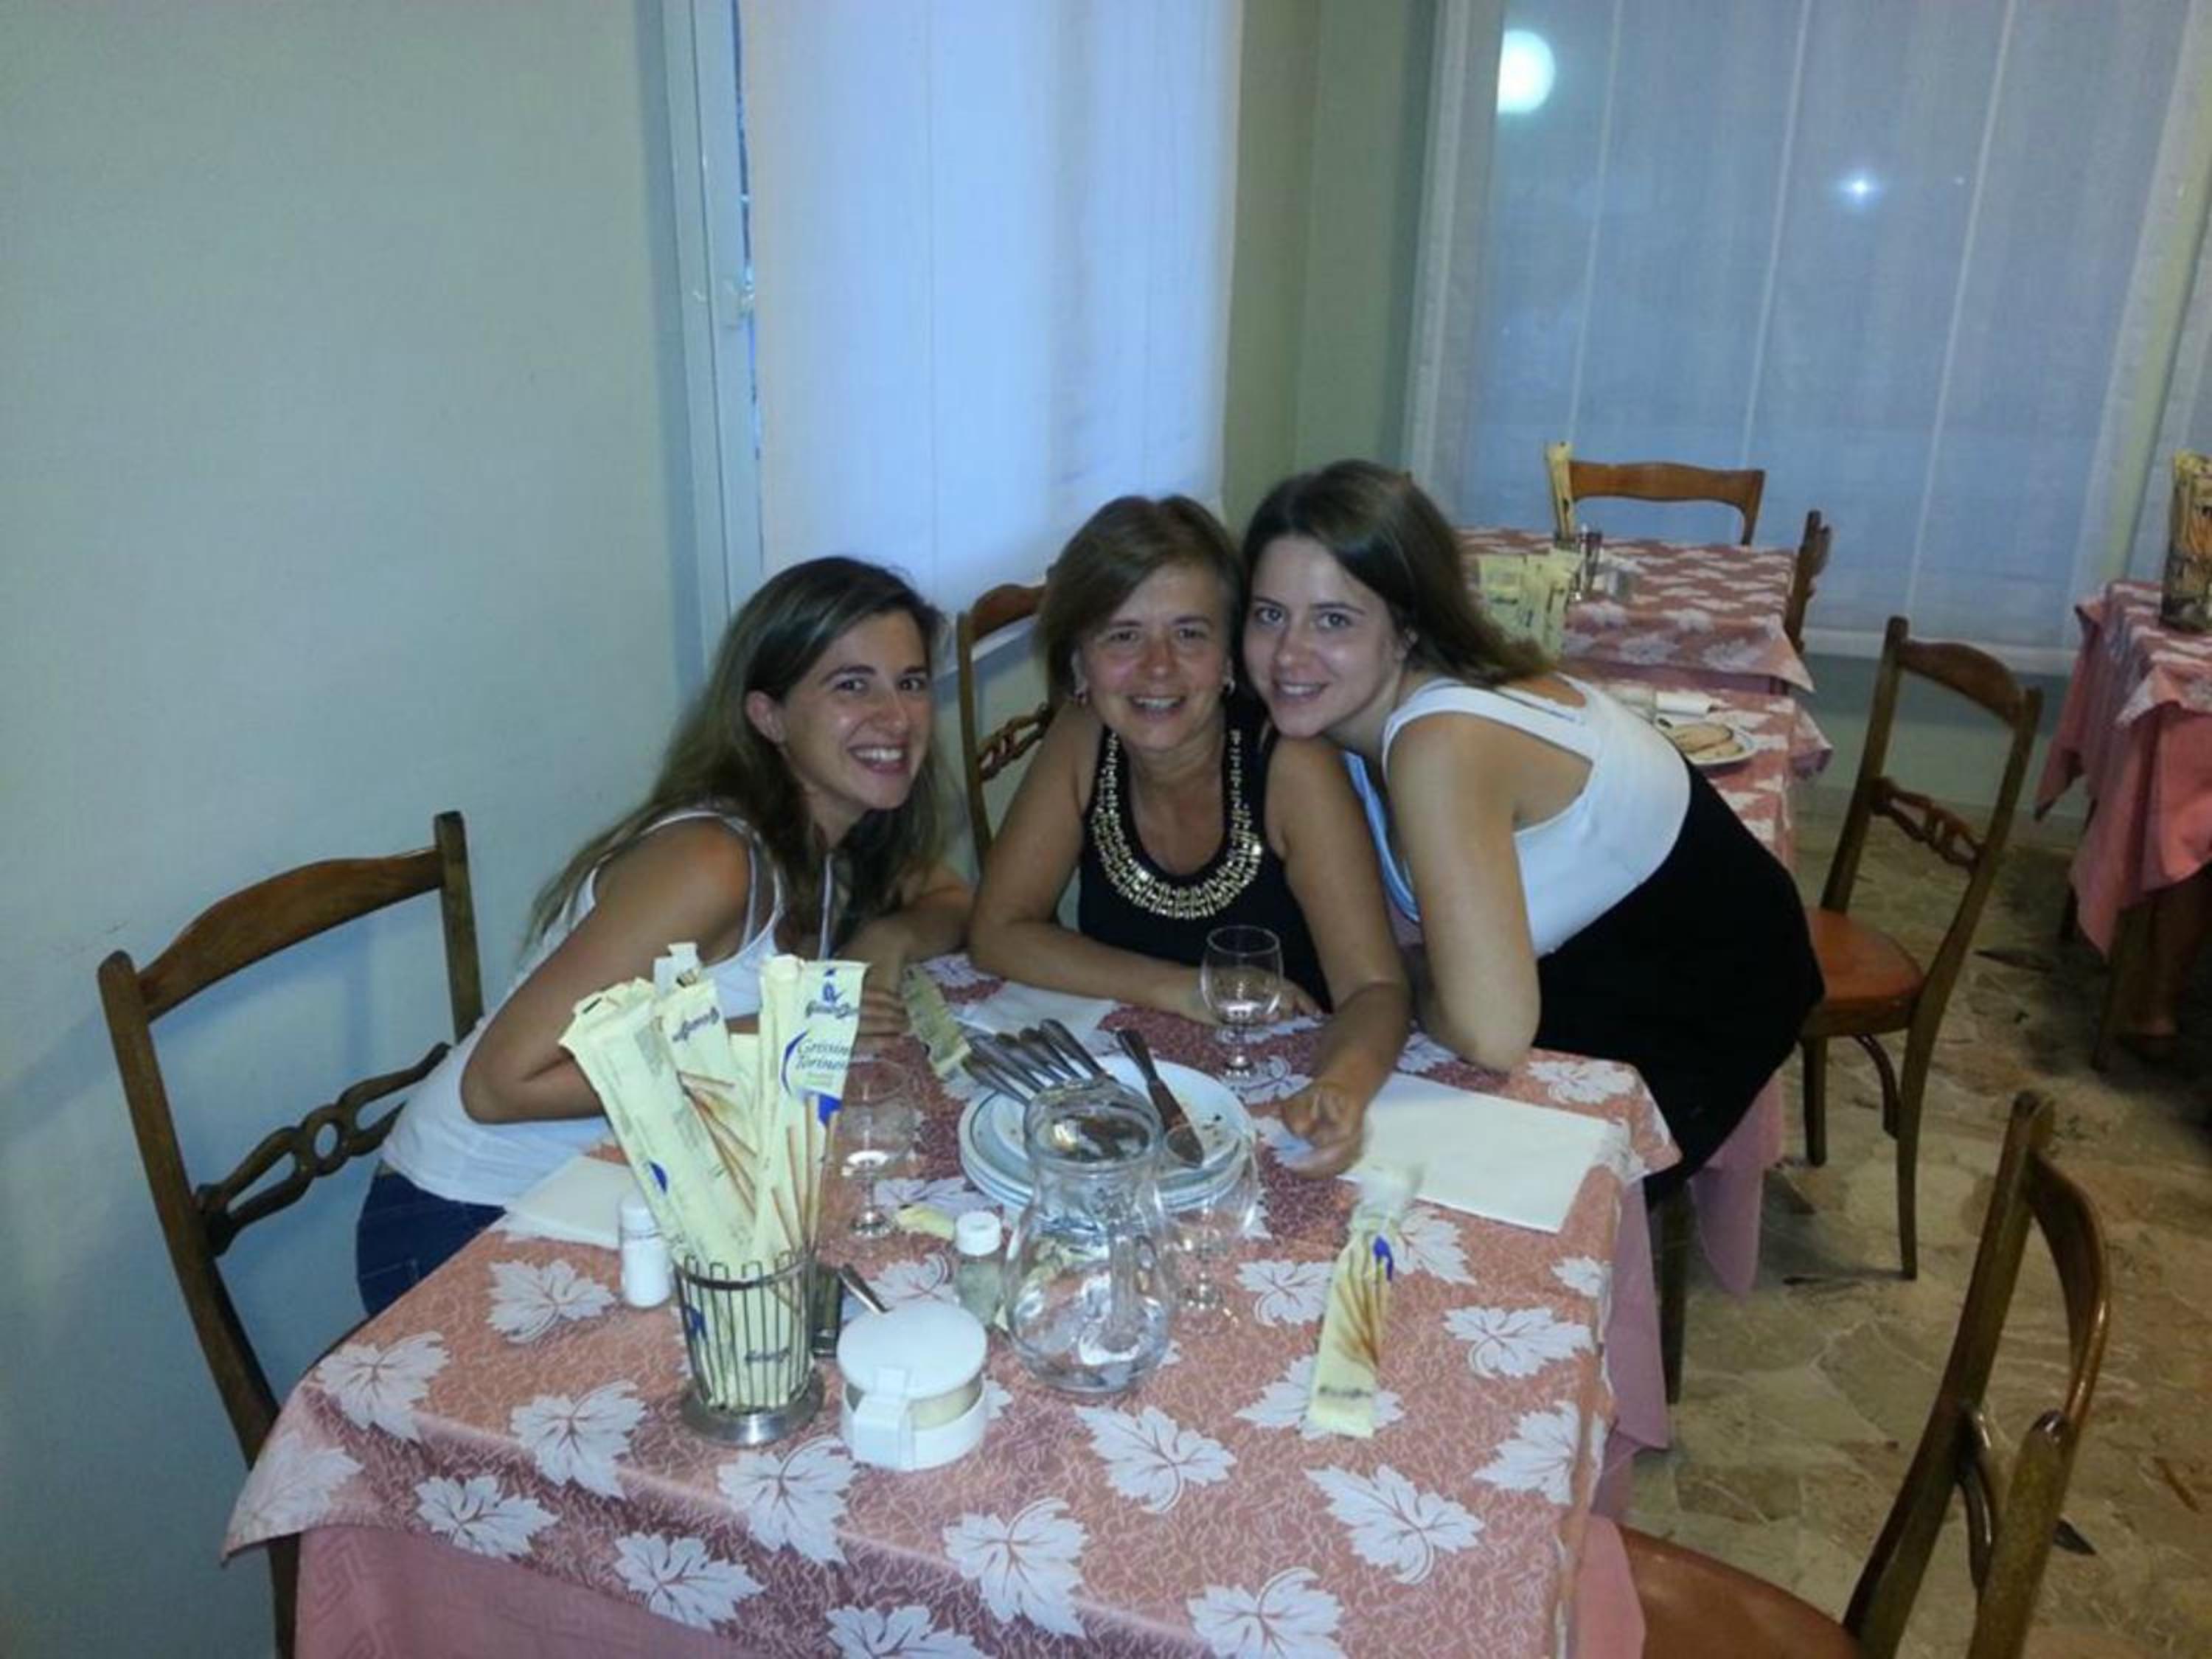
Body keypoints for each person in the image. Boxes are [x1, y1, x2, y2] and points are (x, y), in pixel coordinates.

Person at [358, 557, 970, 1314]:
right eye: (851, 685)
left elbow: (950, 900)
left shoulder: (836, 832)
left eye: (911, 682)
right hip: (467, 1213)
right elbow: (498, 1087)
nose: (896, 716)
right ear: (769, 717)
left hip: (627, 1188)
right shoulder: (714, 862)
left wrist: (884, 940)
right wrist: (775, 1034)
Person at [1239, 460, 1821, 1192]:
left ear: (1408, 628)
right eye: (1269, 615)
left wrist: (1409, 976)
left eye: (1334, 620)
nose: (1290, 654)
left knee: (1431, 1191)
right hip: (1598, 960)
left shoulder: (1440, 740)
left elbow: (1489, 1031)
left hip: (1705, 996)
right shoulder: (1345, 720)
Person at [970, 495, 1408, 1172]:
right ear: (1080, 663)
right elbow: (998, 930)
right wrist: (1178, 986)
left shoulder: (1291, 767)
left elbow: (1375, 990)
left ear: (1230, 657)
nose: (1158, 667)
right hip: (1130, 1105)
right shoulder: (1083, 739)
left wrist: (1340, 1088)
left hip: (1277, 1097)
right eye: (1123, 635)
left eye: (1190, 634)